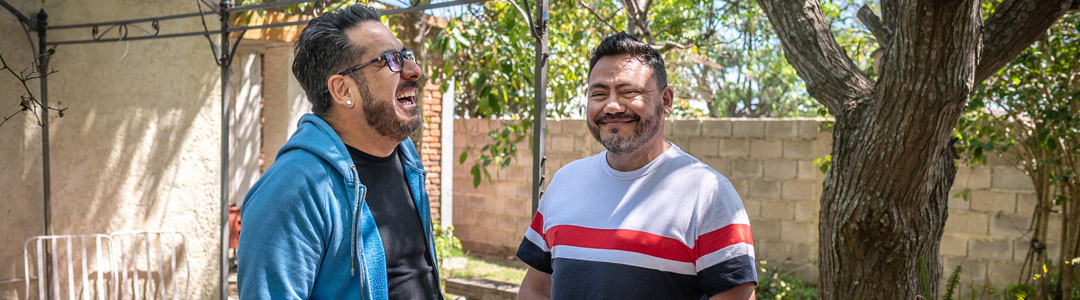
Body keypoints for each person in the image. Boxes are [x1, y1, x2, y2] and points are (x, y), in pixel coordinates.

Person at [515, 33, 757, 300]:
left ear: (666, 101)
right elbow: (536, 289)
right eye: (598, 93)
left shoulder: (709, 194)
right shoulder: (565, 182)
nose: (612, 106)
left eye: (629, 91)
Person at [237, 5, 442, 300]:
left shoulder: (405, 158)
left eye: (406, 54)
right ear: (343, 90)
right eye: (390, 61)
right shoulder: (292, 190)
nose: (414, 70)